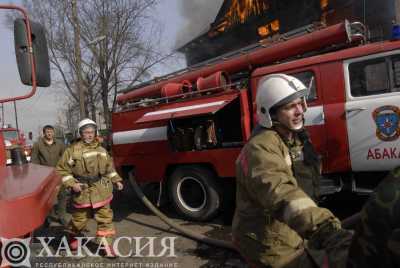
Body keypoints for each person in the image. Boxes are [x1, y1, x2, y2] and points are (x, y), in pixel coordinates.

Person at [232, 73, 400, 267]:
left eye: (300, 103)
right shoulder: (260, 149)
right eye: (290, 107)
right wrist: (328, 231)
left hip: (295, 231)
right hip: (270, 244)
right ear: (270, 114)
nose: (300, 111)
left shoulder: (293, 137)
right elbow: (282, 194)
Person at [56, 118, 123, 257]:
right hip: (82, 191)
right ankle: (73, 236)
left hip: (101, 189)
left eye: (92, 132)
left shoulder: (102, 150)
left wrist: (116, 180)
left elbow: (109, 168)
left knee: (105, 218)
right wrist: (72, 184)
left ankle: (107, 246)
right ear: (80, 133)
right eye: (86, 132)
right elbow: (62, 170)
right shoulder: (72, 151)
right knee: (79, 220)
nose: (90, 135)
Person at [31, 125, 68, 225]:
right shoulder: (38, 144)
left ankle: (62, 216)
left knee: (62, 195)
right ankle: (48, 217)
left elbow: (65, 157)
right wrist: (37, 174)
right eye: (47, 132)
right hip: (45, 176)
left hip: (58, 174)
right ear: (44, 133)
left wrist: (65, 170)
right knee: (47, 197)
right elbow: (34, 160)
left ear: (54, 132)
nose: (49, 133)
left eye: (51, 131)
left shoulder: (59, 144)